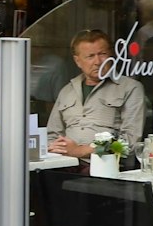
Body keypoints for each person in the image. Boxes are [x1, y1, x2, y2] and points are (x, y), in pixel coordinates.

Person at [46, 28, 147, 158]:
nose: (98, 62)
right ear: (78, 61)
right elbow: (52, 135)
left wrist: (82, 151)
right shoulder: (67, 91)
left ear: (111, 55)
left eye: (102, 54)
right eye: (90, 56)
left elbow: (130, 142)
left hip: (105, 168)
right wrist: (56, 149)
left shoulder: (130, 88)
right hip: (64, 165)